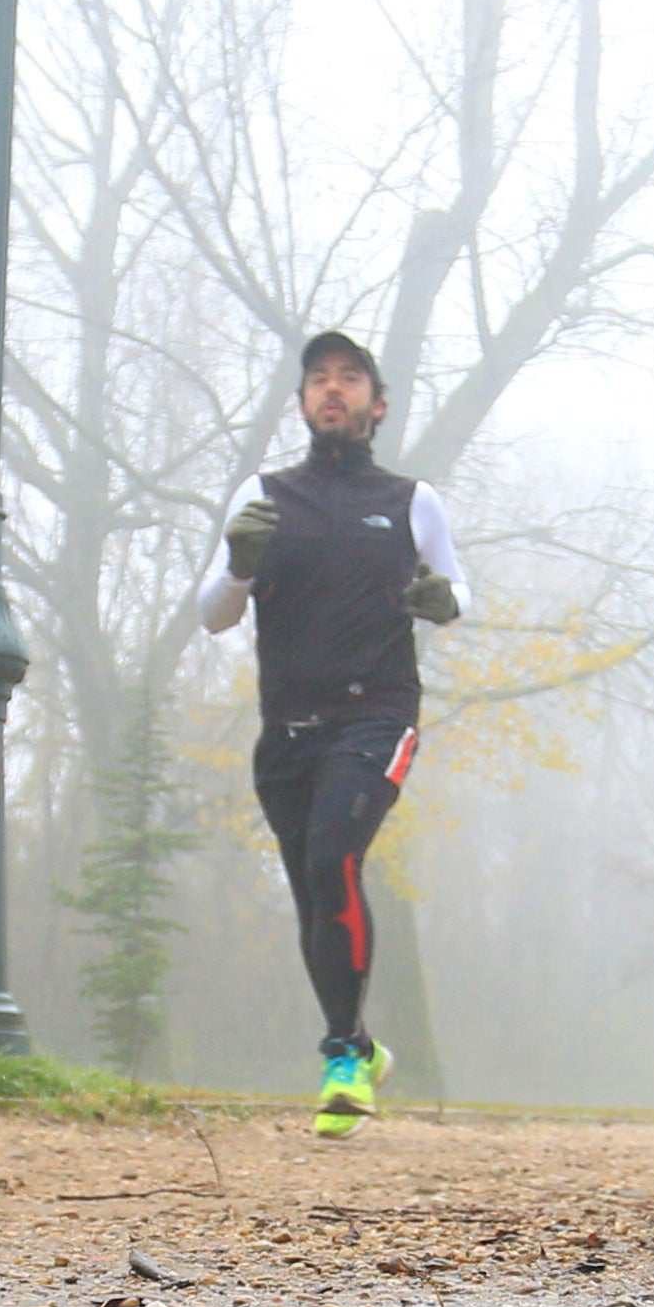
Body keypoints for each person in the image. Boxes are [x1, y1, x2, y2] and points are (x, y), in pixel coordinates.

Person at [197, 330, 463, 1138]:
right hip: (287, 729)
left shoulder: (411, 500)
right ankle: (362, 1046)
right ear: (305, 401)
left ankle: (342, 1055)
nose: (333, 389)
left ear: (376, 405)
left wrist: (440, 600)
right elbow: (213, 614)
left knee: (331, 857)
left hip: (377, 715)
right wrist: (239, 565)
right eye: (319, 379)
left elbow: (458, 588)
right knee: (316, 892)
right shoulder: (266, 494)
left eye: (350, 378)